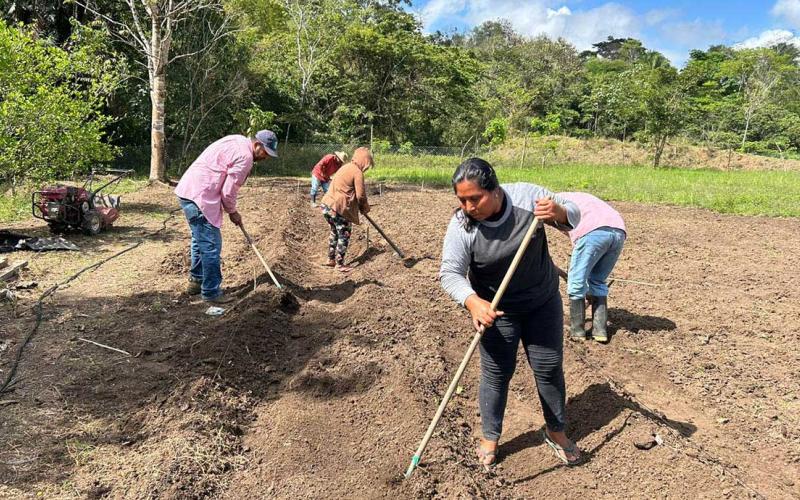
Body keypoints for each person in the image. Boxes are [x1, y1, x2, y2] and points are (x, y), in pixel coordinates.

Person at [439, 158, 582, 468]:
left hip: (541, 302)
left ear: (495, 189)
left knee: (548, 367)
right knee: (497, 373)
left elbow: (573, 213)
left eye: (474, 198)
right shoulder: (462, 225)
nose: (468, 206)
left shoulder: (528, 198)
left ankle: (556, 431)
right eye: (461, 200)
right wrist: (473, 302)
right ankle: (490, 436)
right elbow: (450, 273)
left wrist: (559, 212)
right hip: (497, 309)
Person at [174, 130, 278, 303]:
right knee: (211, 245)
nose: (265, 157)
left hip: (189, 191)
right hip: (201, 196)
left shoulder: (237, 139)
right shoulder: (245, 157)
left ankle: (196, 282)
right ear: (257, 144)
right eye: (265, 152)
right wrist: (233, 212)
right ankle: (211, 293)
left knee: (200, 241)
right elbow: (228, 192)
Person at [557, 192, 626, 343]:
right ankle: (600, 331)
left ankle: (577, 331)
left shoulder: (555, 203)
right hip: (619, 231)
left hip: (592, 231)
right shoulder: (579, 196)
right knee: (597, 280)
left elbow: (567, 228)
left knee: (576, 281)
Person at [318, 147, 372, 273]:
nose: (367, 167)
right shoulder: (357, 172)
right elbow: (361, 195)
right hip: (339, 208)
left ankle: (330, 259)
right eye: (368, 164)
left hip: (327, 205)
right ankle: (340, 264)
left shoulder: (345, 167)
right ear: (363, 161)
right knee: (344, 234)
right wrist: (365, 208)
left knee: (334, 232)